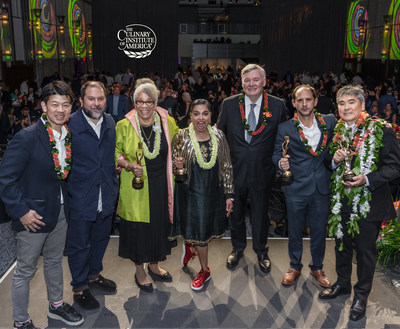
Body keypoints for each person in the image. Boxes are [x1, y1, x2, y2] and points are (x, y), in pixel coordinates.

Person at [0, 81, 83, 329]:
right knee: (25, 270)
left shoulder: (67, 136)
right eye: (54, 104)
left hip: (60, 212)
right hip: (33, 216)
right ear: (43, 106)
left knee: (55, 261)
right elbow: (5, 179)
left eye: (65, 105)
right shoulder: (26, 138)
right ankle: (20, 320)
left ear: (71, 108)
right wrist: (21, 211)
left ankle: (56, 305)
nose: (60, 110)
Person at [318, 85, 400, 321]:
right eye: (342, 103)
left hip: (369, 203)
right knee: (341, 246)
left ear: (362, 105)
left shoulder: (381, 130)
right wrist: (333, 159)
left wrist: (367, 179)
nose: (346, 107)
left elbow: (395, 167)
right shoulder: (338, 130)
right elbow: (327, 162)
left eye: (351, 102)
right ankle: (343, 284)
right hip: (341, 200)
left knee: (365, 252)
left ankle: (361, 295)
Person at [217, 63, 287, 273]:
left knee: (260, 214)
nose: (251, 84)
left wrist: (280, 163)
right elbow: (219, 134)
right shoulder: (229, 104)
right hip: (235, 171)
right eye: (246, 80)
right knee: (236, 213)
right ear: (241, 82)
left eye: (255, 79)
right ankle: (237, 249)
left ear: (264, 82)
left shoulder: (277, 105)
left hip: (263, 172)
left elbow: (283, 139)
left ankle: (261, 250)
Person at [115, 79, 179, 293]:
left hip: (161, 185)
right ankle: (140, 270)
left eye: (148, 102)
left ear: (155, 102)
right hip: (136, 187)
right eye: (139, 101)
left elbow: (179, 141)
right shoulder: (123, 125)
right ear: (134, 102)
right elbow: (116, 154)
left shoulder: (166, 121)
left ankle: (154, 265)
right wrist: (128, 164)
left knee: (158, 227)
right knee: (139, 231)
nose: (144, 106)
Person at [272, 85, 336, 287]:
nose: (304, 103)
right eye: (300, 100)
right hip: (296, 188)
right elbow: (276, 153)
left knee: (319, 230)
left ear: (315, 101)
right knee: (295, 230)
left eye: (308, 99)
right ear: (294, 103)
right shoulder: (285, 128)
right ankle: (295, 266)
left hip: (321, 187)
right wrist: (280, 163)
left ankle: (317, 267)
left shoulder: (329, 122)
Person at [170, 99, 234, 290]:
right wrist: (177, 166)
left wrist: (229, 194)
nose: (200, 118)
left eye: (205, 113)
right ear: (190, 116)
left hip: (212, 193)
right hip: (188, 193)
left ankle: (191, 248)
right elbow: (174, 168)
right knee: (198, 232)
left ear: (210, 116)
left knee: (202, 233)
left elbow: (226, 165)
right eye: (196, 113)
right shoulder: (181, 136)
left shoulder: (219, 136)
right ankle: (205, 269)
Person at [66, 81, 119, 309]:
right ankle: (79, 288)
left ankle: (93, 275)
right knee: (79, 245)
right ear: (81, 101)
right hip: (81, 196)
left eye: (100, 99)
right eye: (91, 99)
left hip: (105, 194)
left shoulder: (110, 122)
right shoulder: (69, 124)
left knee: (100, 239)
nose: (96, 103)